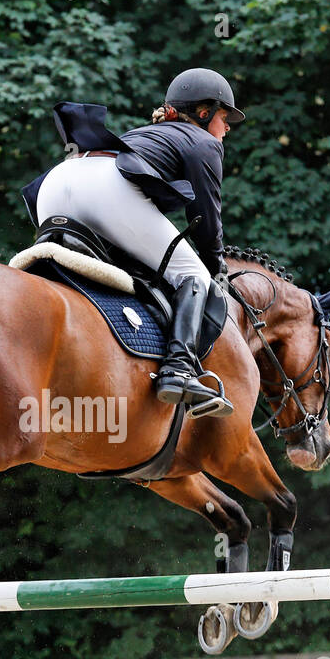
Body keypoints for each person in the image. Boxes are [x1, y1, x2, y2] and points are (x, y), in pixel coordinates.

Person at [20, 68, 244, 417]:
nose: (227, 127)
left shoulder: (148, 133)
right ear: (204, 113)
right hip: (103, 190)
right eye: (224, 116)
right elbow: (205, 216)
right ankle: (178, 370)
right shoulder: (204, 143)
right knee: (192, 276)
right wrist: (215, 266)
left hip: (55, 183)